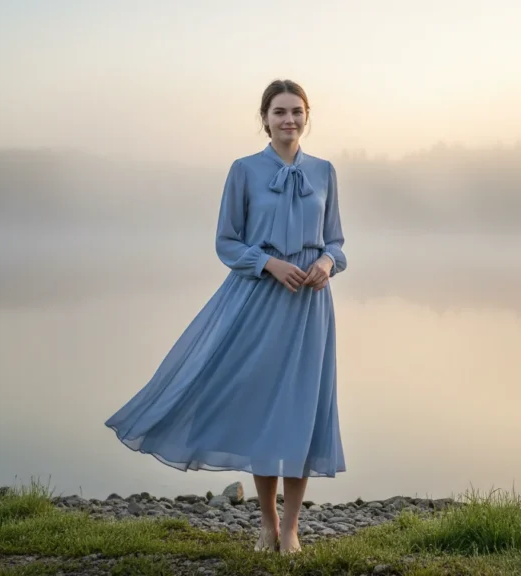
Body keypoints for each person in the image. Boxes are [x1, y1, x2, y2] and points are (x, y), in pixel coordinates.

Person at [104, 79, 347, 555]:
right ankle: (266, 524)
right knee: (261, 411)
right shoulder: (243, 171)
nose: (289, 120)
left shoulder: (325, 172)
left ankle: (293, 529)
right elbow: (226, 242)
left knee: (302, 414)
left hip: (310, 309)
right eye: (279, 112)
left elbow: (337, 241)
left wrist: (326, 263)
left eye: (297, 112)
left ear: (307, 116)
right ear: (265, 118)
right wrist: (269, 263)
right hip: (257, 301)